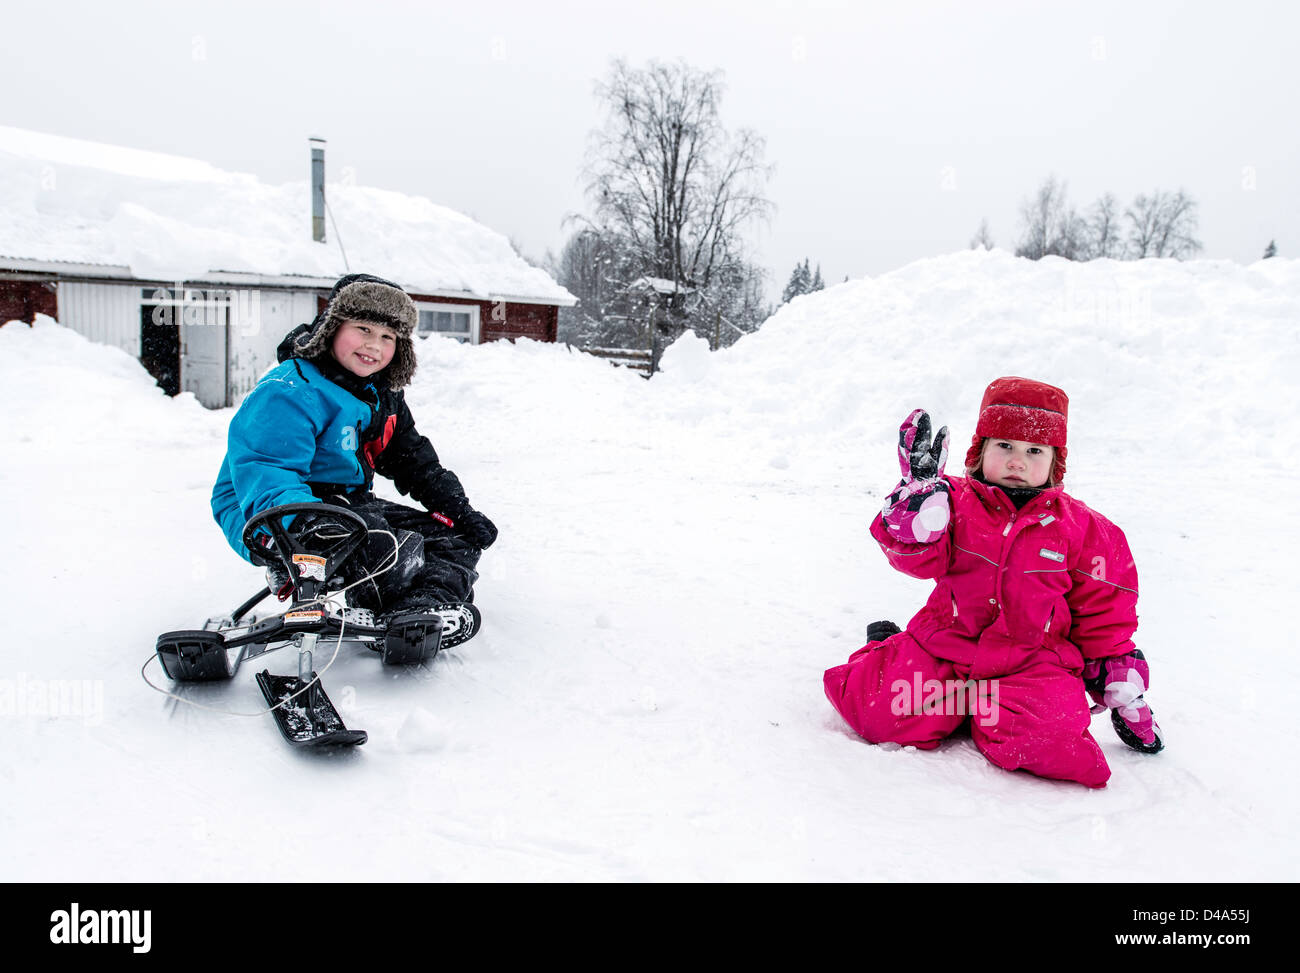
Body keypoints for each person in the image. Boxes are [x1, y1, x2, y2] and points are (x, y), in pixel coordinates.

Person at [823, 377, 1163, 788]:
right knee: (873, 711)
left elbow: (1104, 614)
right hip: (945, 647)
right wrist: (915, 512)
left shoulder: (1086, 530)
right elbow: (917, 559)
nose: (1017, 461)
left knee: (1051, 745)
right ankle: (887, 649)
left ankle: (981, 707)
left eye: (1033, 451)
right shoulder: (949, 501)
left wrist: (1122, 691)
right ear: (980, 450)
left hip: (1033, 663)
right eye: (1004, 446)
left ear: (1056, 462)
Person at [210, 273, 497, 651]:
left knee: (452, 538)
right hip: (270, 508)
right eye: (363, 328)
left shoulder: (381, 395)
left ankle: (417, 613)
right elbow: (267, 468)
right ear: (331, 328)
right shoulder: (291, 389)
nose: (373, 346)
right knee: (384, 548)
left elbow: (412, 459)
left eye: (387, 337)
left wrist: (456, 508)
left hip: (347, 501)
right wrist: (304, 524)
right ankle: (367, 590)